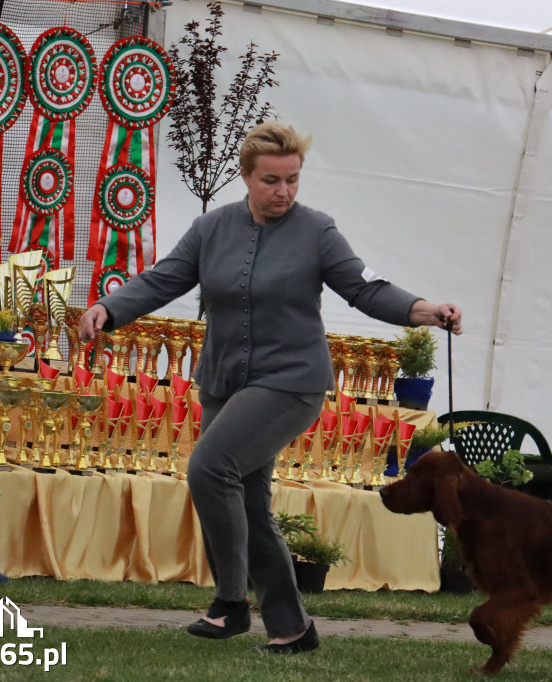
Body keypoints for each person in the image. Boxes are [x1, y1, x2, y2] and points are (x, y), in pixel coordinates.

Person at [79, 121, 462, 653]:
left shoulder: (317, 230)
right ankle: (291, 628)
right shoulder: (211, 228)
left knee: (210, 469)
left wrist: (425, 310)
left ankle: (231, 603)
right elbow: (163, 278)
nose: (283, 192)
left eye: (293, 180)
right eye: (271, 181)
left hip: (291, 384)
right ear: (247, 177)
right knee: (249, 504)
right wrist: (108, 306)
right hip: (223, 384)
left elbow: (364, 286)